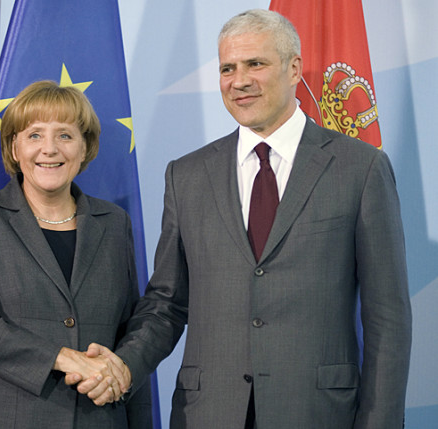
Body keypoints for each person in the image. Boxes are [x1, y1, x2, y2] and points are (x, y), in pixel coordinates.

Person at [72, 9, 412, 429]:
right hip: (208, 413)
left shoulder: (360, 168)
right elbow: (166, 302)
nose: (239, 80)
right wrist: (124, 366)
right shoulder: (186, 175)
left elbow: (387, 318)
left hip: (318, 413)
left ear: (293, 69)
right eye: (227, 68)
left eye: (255, 64)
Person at [0, 80, 152, 429]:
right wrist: (65, 358)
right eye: (35, 135)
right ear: (14, 148)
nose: (49, 149)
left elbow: (129, 329)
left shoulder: (114, 223)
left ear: (85, 148)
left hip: (97, 419)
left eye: (65, 135)